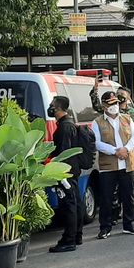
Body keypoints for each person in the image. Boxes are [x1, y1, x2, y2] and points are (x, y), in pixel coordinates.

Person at [91, 91, 134, 239]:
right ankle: (105, 227)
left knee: (128, 195)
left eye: (116, 103)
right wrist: (115, 151)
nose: (114, 106)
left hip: (127, 162)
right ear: (104, 106)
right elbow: (97, 143)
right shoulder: (97, 122)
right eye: (111, 104)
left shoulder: (126, 118)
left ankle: (129, 224)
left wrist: (126, 149)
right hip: (109, 165)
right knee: (106, 198)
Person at [47, 96, 86, 253]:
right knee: (75, 203)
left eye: (52, 105)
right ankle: (77, 235)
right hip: (72, 171)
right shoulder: (69, 124)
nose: (50, 108)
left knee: (68, 205)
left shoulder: (64, 127)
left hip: (65, 173)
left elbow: (63, 153)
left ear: (58, 108)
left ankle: (69, 239)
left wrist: (59, 172)